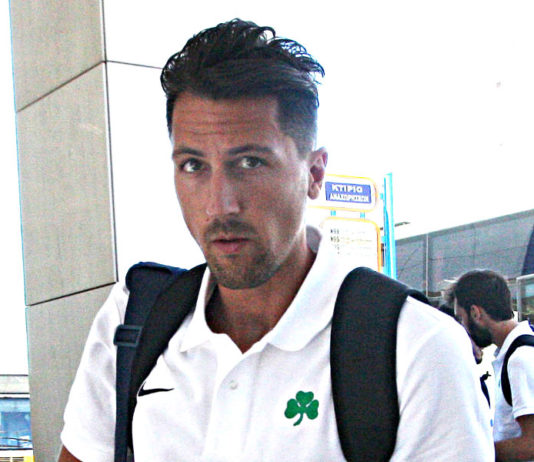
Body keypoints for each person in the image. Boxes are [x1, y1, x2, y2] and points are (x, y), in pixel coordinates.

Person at [58, 19, 493, 461]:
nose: (219, 205)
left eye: (250, 162)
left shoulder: (416, 347)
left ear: (314, 173)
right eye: (193, 165)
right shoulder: (135, 319)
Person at [451, 269, 534, 461]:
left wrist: (473, 452)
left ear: (475, 313)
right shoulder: (515, 351)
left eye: (461, 318)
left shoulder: (520, 358)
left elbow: (531, 444)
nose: (462, 328)